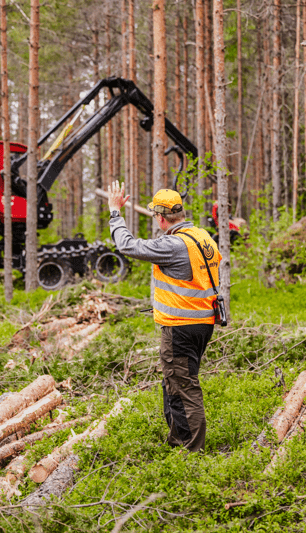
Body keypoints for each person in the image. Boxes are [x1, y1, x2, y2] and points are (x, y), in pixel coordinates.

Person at [106, 180, 222, 452]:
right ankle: (178, 441)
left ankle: (191, 451)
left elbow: (127, 245)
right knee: (175, 383)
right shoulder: (203, 237)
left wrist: (115, 212)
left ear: (160, 217)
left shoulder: (174, 244)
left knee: (183, 387)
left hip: (180, 328)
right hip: (202, 323)